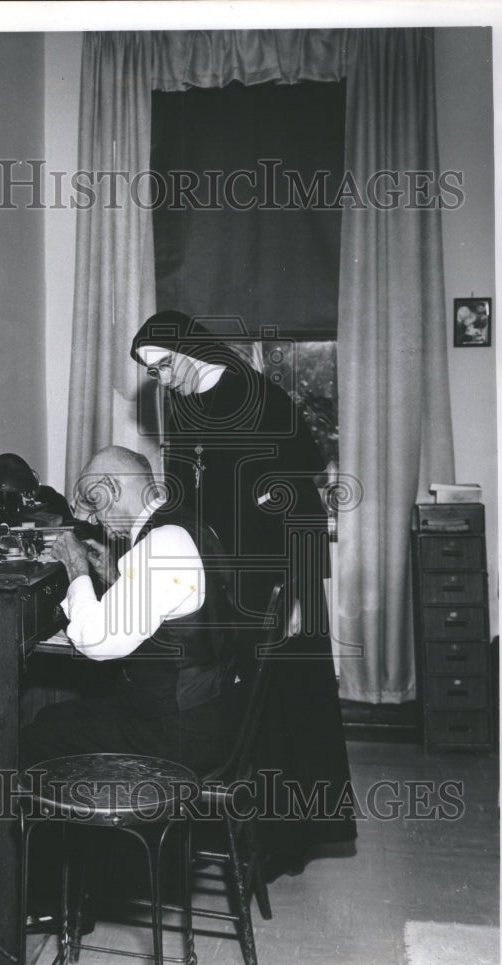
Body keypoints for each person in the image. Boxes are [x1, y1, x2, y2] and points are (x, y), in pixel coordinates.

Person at [130, 310, 356, 877]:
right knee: (230, 700)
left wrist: (300, 589)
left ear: (186, 348)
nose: (162, 379)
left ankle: (285, 844)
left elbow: (303, 486)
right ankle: (226, 832)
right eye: (152, 373)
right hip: (224, 574)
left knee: (285, 701)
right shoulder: (181, 407)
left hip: (279, 572)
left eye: (163, 365)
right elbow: (185, 492)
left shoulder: (261, 397)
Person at [20, 445, 241, 777]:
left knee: (37, 736)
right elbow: (172, 605)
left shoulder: (161, 544)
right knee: (51, 718)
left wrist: (77, 569)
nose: (91, 518)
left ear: (113, 488)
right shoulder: (185, 524)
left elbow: (97, 643)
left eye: (93, 504)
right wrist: (113, 577)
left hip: (178, 735)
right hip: (209, 713)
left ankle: (79, 828)